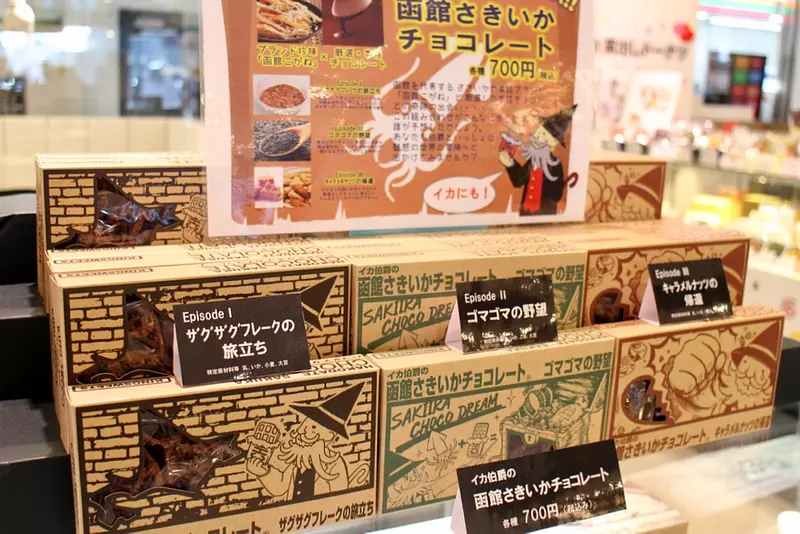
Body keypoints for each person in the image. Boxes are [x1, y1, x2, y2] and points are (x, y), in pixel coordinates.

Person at [246, 383, 364, 500]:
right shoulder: (297, 459)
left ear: (329, 436)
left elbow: (340, 499)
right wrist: (263, 473)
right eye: (304, 425)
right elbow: (280, 488)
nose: (303, 431)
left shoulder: (335, 464)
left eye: (313, 427)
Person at [499, 105, 577, 216]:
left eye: (543, 135)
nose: (537, 138)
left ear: (553, 143)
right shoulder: (533, 160)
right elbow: (518, 181)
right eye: (538, 132)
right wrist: (511, 164)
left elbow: (556, 195)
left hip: (545, 213)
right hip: (526, 212)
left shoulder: (555, 165)